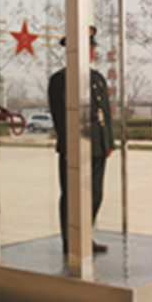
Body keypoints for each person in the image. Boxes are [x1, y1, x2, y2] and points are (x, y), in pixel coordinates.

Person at [48, 26, 114, 255]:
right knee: (72, 195)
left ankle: (85, 237)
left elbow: (105, 112)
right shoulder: (61, 80)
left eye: (93, 47)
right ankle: (71, 242)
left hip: (97, 146)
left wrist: (108, 142)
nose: (93, 51)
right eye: (89, 47)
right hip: (75, 147)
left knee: (95, 194)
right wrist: (69, 146)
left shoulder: (97, 78)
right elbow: (60, 116)